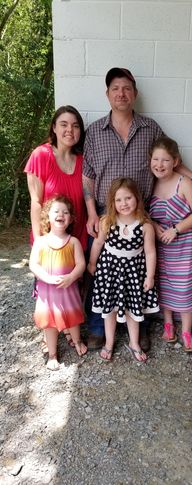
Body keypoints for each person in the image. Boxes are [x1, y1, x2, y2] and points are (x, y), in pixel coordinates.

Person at [83, 67, 192, 351]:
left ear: (135, 94)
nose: (121, 93)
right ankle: (98, 329)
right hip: (106, 212)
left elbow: (171, 159)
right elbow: (87, 174)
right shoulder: (94, 133)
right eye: (115, 88)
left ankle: (140, 326)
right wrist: (92, 211)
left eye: (127, 88)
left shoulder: (150, 129)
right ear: (107, 94)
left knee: (140, 272)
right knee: (103, 272)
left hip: (141, 214)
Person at [24, 105, 87, 350]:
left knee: (71, 287)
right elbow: (36, 202)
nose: (69, 130)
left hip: (75, 237)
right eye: (64, 124)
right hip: (48, 239)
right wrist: (40, 240)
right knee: (47, 288)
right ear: (54, 127)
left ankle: (71, 329)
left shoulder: (82, 161)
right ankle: (49, 332)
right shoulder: (41, 155)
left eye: (75, 125)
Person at [87, 177, 159, 362]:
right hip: (109, 272)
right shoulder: (107, 221)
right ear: (112, 202)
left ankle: (134, 343)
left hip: (133, 274)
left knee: (133, 311)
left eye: (128, 198)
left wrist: (150, 276)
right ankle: (109, 343)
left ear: (136, 198)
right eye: (118, 200)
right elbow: (97, 243)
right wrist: (92, 263)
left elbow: (150, 253)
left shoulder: (145, 225)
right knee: (109, 309)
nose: (124, 203)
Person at [149, 136, 192, 352]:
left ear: (175, 161)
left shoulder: (184, 183)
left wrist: (176, 230)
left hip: (184, 244)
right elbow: (144, 213)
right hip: (161, 245)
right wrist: (154, 226)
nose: (159, 165)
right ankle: (168, 324)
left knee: (185, 287)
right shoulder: (151, 183)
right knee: (163, 284)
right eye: (156, 159)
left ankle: (186, 330)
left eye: (165, 160)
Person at [29, 195, 87, 370]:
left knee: (73, 318)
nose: (61, 214)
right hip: (48, 294)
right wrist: (45, 277)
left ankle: (77, 341)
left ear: (70, 219)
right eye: (56, 211)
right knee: (50, 324)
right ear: (47, 216)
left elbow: (81, 264)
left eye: (65, 212)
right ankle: (52, 354)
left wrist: (71, 277)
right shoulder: (40, 242)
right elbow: (33, 264)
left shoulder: (73, 242)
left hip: (68, 290)